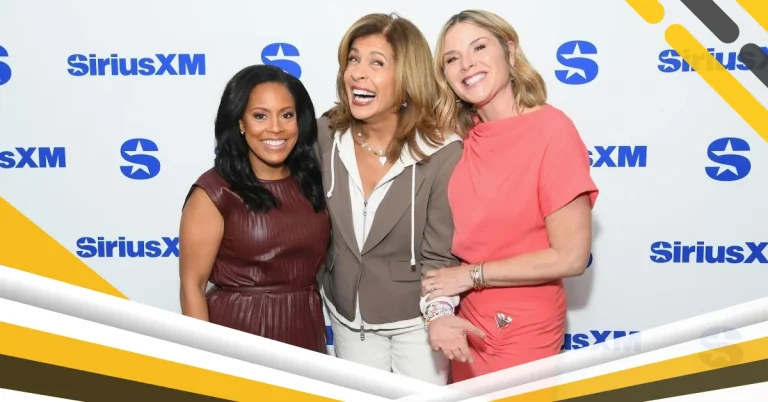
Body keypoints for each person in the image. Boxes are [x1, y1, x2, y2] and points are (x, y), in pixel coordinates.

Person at [421, 9, 600, 382]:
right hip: (465, 321)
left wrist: (471, 276)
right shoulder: (459, 138)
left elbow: (571, 256)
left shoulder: (552, 132)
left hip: (525, 327)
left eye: (479, 47)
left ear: (510, 51)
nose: (466, 64)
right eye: (452, 59)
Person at [316, 12, 471, 385]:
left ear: (407, 78)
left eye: (377, 63)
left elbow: (439, 255)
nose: (357, 73)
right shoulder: (325, 135)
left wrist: (437, 315)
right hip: (348, 318)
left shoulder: (442, 151)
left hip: (417, 322)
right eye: (353, 59)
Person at [178, 64, 330, 354]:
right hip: (237, 335)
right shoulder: (215, 192)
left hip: (305, 331)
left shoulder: (312, 183)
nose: (275, 128)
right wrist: (203, 361)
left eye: (287, 115)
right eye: (260, 116)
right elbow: (191, 286)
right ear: (240, 123)